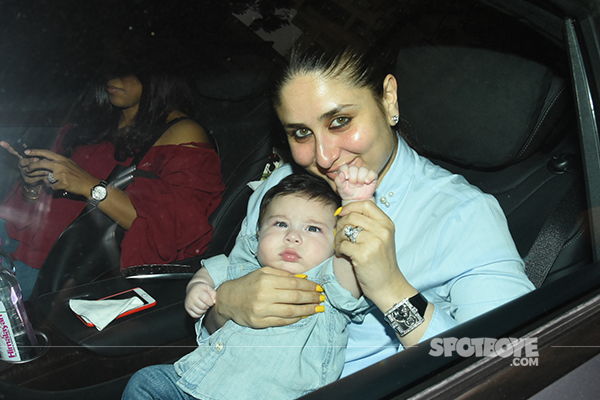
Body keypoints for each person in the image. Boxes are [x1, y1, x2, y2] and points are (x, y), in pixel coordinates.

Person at [199, 46, 536, 378]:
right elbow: (217, 325)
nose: (324, 156)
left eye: (340, 121)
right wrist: (224, 307)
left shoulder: (463, 217)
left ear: (388, 98)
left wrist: (391, 290)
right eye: (301, 132)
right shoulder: (285, 187)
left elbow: (514, 362)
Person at [122, 171, 374, 400]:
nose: (293, 236)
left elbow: (353, 268)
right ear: (259, 233)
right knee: (146, 382)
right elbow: (211, 271)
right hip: (200, 384)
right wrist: (198, 288)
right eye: (280, 224)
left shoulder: (329, 279)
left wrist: (354, 206)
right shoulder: (246, 261)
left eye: (312, 228)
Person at [0, 52, 224, 300]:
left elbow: (173, 230)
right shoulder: (92, 120)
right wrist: (31, 184)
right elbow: (34, 206)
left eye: (127, 66)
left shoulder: (181, 133)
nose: (112, 74)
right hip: (10, 234)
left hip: (53, 264)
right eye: (110, 62)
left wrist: (89, 186)